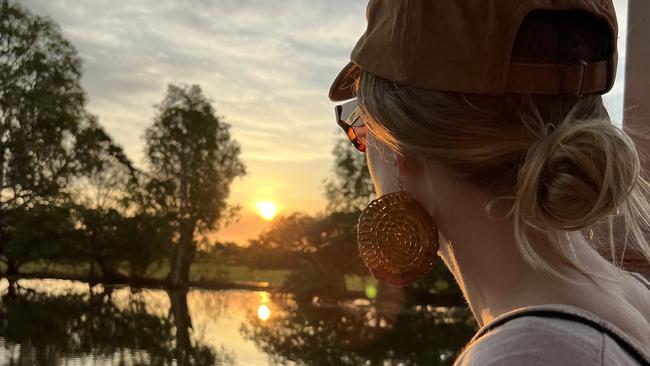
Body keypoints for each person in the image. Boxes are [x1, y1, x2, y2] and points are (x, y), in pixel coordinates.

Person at [329, 1, 650, 365]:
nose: (363, 145)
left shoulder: (528, 356)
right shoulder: (635, 300)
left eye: (359, 125)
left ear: (402, 150)